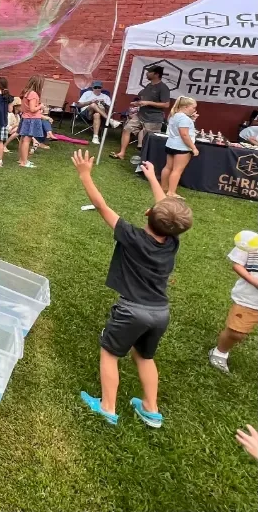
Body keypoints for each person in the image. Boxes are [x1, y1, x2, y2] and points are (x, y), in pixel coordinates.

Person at [73, 149, 193, 428]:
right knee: (144, 356)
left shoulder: (132, 237)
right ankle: (151, 409)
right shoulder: (172, 242)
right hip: (160, 312)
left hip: (131, 311)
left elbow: (101, 206)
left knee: (110, 353)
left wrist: (85, 175)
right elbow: (167, 211)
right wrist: (153, 178)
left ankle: (107, 407)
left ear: (148, 213)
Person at [208, 230, 258, 375]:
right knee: (236, 333)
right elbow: (237, 265)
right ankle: (220, 353)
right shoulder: (250, 240)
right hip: (249, 299)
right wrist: (254, 281)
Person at [111, 65, 171, 160]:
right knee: (127, 129)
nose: (147, 73)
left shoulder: (163, 88)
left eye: (149, 72)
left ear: (156, 74)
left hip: (153, 118)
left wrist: (148, 102)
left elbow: (166, 105)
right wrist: (137, 103)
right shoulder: (148, 86)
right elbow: (144, 100)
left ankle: (147, 160)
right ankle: (121, 153)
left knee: (150, 140)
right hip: (140, 115)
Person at [161, 96, 199, 196]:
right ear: (186, 107)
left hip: (171, 144)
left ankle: (164, 188)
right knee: (177, 170)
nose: (194, 110)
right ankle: (171, 192)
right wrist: (193, 148)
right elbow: (184, 134)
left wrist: (192, 120)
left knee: (168, 167)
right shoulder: (184, 119)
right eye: (193, 107)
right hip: (181, 147)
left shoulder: (174, 115)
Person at [17, 75, 49, 168]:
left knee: (23, 139)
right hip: (31, 119)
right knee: (27, 140)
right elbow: (32, 109)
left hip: (25, 118)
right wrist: (41, 106)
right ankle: (24, 162)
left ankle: (21, 159)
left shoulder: (26, 92)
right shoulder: (33, 94)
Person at [78, 80, 112, 145]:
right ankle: (109, 120)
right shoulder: (87, 93)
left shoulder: (105, 97)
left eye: (99, 87)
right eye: (95, 87)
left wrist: (104, 103)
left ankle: (95, 137)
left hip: (100, 116)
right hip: (87, 114)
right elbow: (79, 105)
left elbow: (110, 109)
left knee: (97, 114)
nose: (97, 89)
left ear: (101, 88)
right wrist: (91, 102)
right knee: (93, 105)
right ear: (92, 88)